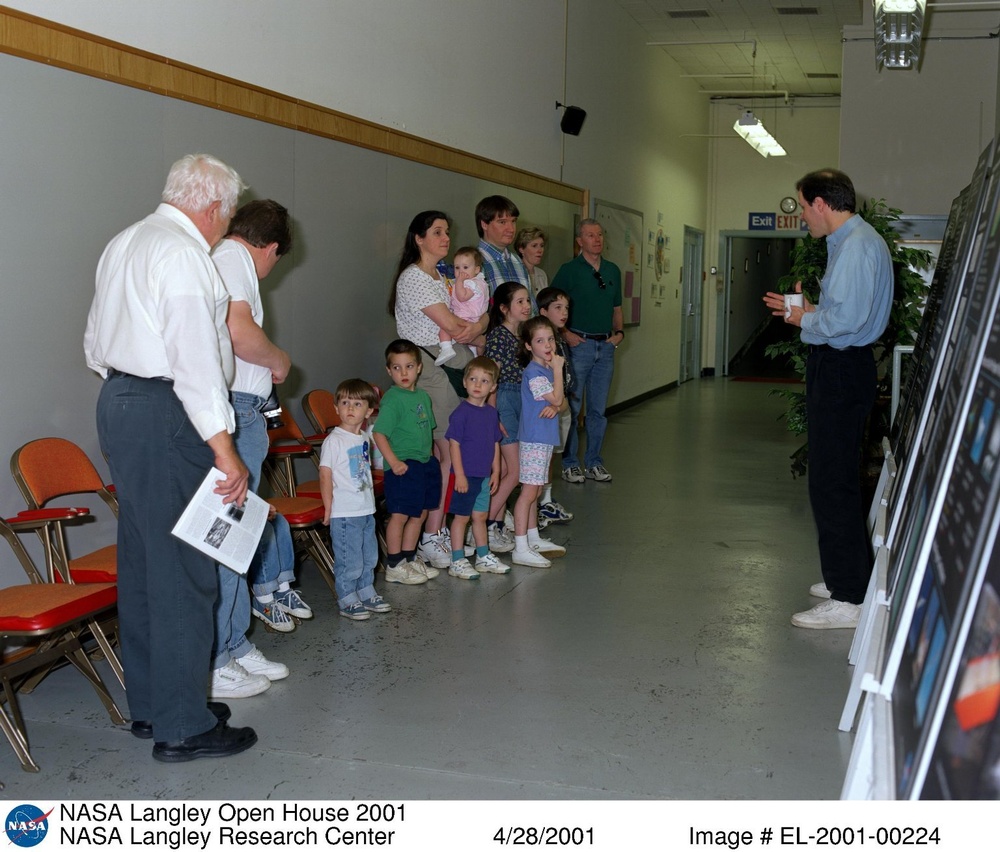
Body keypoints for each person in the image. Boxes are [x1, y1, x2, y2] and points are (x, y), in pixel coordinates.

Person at [84, 153, 255, 762]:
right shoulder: (184, 254)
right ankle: (183, 725)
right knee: (185, 567)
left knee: (143, 562)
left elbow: (94, 341)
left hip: (119, 400)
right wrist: (225, 448)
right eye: (227, 216)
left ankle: (156, 705)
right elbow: (195, 361)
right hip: (167, 409)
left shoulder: (126, 240)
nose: (224, 227)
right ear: (211, 206)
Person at [763, 169, 892, 630]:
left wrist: (803, 320)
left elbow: (845, 323)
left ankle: (849, 598)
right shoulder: (853, 242)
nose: (802, 216)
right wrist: (806, 310)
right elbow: (843, 313)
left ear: (821, 203)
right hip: (844, 366)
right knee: (836, 477)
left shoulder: (855, 247)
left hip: (840, 368)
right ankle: (848, 575)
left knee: (832, 482)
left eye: (803, 206)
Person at [210, 198, 294, 698]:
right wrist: (279, 359)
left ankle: (235, 642)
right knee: (226, 535)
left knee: (237, 537)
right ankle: (218, 656)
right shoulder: (234, 257)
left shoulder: (228, 258)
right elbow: (239, 332)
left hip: (245, 409)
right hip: (237, 409)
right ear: (271, 248)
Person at [387, 211, 488, 572]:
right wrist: (476, 329)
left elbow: (480, 314)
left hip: (453, 364)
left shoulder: (444, 275)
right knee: (445, 451)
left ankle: (438, 528)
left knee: (452, 450)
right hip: (431, 367)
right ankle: (433, 533)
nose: (446, 238)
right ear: (419, 238)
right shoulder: (414, 277)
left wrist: (479, 325)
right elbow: (453, 324)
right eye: (437, 232)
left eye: (447, 231)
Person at [553, 218, 624, 484]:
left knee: (597, 411)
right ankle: (570, 463)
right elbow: (551, 305)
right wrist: (564, 333)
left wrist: (619, 334)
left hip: (605, 347)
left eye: (600, 235)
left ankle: (594, 462)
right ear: (579, 241)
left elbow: (617, 308)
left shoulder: (612, 270)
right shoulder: (569, 270)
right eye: (590, 235)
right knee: (572, 408)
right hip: (578, 346)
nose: (597, 239)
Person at [320, 379, 391, 619]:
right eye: (345, 403)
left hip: (365, 509)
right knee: (349, 559)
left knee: (368, 556)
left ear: (369, 411)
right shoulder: (334, 440)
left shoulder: (363, 438)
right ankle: (347, 598)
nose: (350, 408)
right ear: (336, 407)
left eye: (357, 404)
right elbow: (325, 474)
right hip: (344, 512)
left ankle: (365, 590)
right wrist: (328, 507)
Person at [372, 340, 440, 585]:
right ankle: (394, 564)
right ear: (389, 370)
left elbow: (427, 431)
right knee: (400, 515)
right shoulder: (393, 399)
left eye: (409, 366)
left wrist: (431, 459)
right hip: (403, 466)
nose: (403, 372)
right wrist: (393, 462)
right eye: (397, 367)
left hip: (424, 464)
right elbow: (379, 433)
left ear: (419, 367)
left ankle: (410, 559)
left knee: (419, 513)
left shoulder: (422, 397)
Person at [444, 357, 507, 579]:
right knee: (461, 518)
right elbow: (454, 444)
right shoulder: (461, 413)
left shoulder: (491, 413)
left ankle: (483, 556)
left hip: (483, 476)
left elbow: (495, 443)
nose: (478, 385)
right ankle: (457, 560)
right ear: (464, 382)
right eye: (473, 379)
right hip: (465, 476)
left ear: (493, 387)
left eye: (484, 381)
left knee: (480, 517)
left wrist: (496, 471)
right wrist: (459, 475)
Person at [512, 317, 567, 568]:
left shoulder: (544, 369)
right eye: (540, 340)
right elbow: (557, 398)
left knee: (536, 491)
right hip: (534, 439)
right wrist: (558, 369)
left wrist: (555, 406)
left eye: (551, 339)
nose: (548, 345)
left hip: (543, 439)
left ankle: (532, 538)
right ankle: (520, 547)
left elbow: (559, 403)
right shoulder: (535, 372)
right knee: (528, 493)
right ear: (528, 346)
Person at [483, 282, 533, 553]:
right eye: (520, 302)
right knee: (516, 471)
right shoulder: (498, 336)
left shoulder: (522, 335)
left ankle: (495, 527)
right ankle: (484, 524)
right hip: (504, 399)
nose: (526, 306)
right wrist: (493, 415)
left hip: (519, 400)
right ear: (504, 308)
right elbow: (492, 378)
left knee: (504, 470)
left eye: (527, 301)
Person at [535, 287, 575, 528]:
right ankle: (538, 504)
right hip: (551, 406)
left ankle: (547, 501)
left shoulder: (559, 339)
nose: (564, 313)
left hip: (563, 404)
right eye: (558, 308)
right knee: (543, 458)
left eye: (566, 308)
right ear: (543, 312)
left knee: (552, 457)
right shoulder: (542, 345)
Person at [436, 246, 490, 366]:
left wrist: (459, 282)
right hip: (474, 319)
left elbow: (462, 296)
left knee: (444, 326)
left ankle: (446, 348)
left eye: (465, 267)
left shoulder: (471, 283)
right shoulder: (480, 282)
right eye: (457, 267)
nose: (461, 272)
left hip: (465, 317)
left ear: (477, 269)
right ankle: (478, 357)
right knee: (473, 348)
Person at [476, 195, 533, 303]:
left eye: (513, 221)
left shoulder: (517, 261)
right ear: (484, 224)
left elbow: (531, 307)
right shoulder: (474, 262)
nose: (511, 229)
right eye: (502, 222)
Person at [515, 226, 549, 299]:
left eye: (542, 246)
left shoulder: (542, 274)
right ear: (521, 249)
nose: (540, 250)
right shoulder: (514, 272)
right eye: (534, 246)